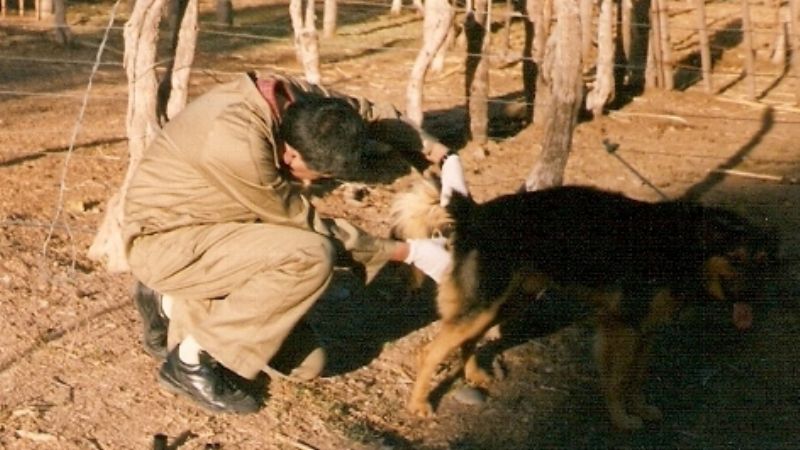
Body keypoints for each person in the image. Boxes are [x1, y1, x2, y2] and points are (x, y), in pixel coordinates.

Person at [123, 71, 469, 414]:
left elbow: (368, 112)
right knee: (310, 255)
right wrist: (408, 252)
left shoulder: (305, 106)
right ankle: (190, 362)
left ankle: (170, 301)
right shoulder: (239, 144)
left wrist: (443, 156)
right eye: (317, 175)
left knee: (308, 364)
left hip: (220, 229)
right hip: (166, 239)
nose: (314, 183)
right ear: (291, 156)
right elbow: (309, 228)